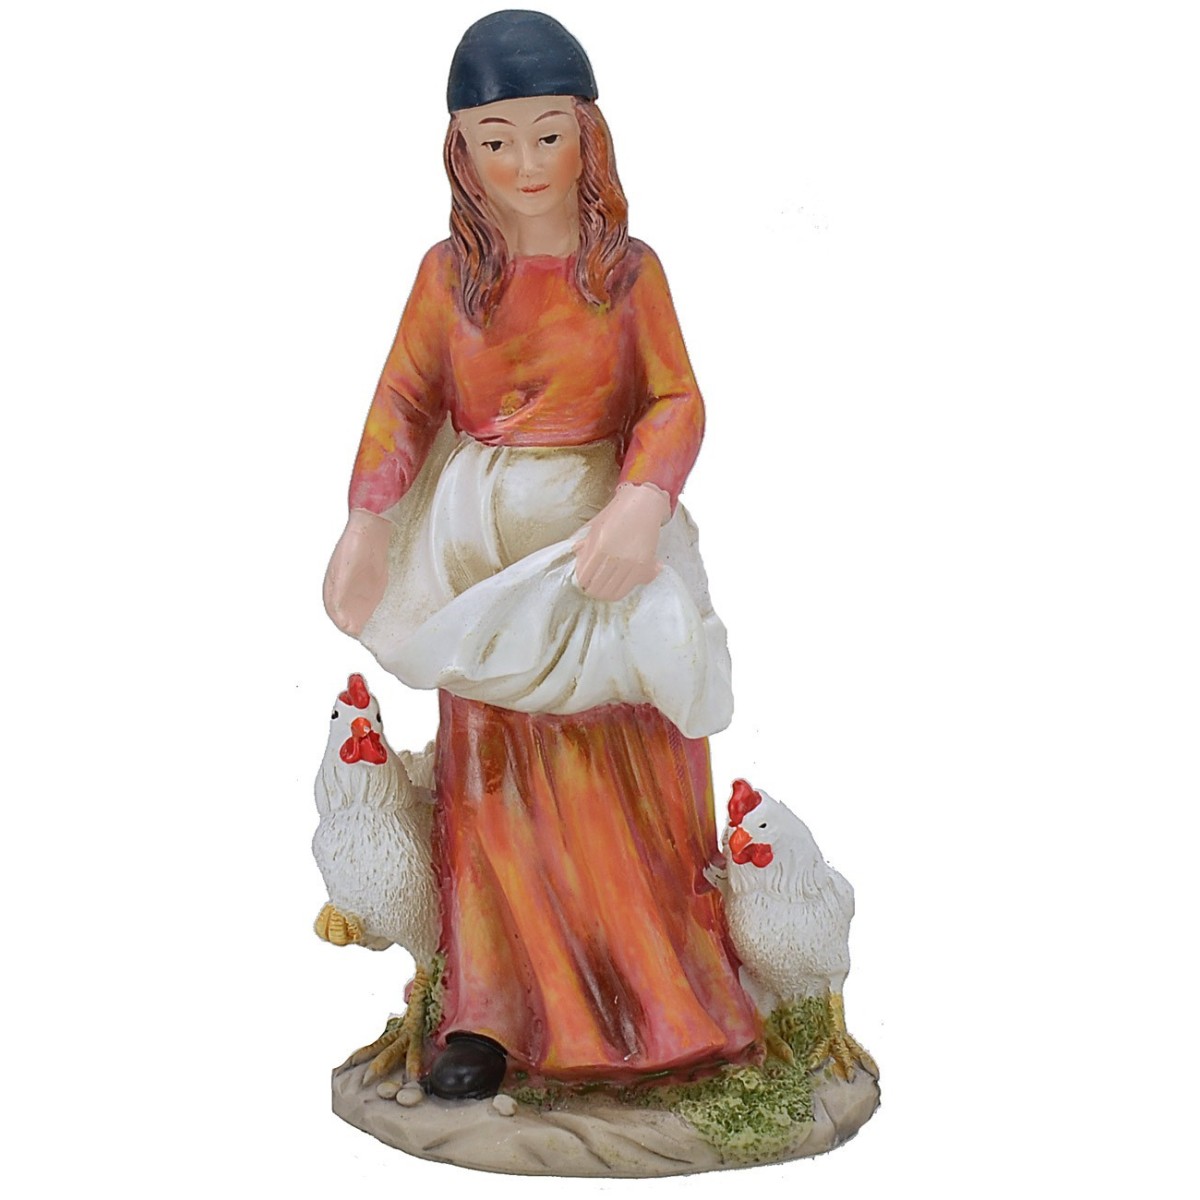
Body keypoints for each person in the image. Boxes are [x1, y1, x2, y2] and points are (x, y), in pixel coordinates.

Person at [323, 10, 759, 1099]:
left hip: (598, 545)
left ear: (588, 137)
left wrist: (642, 502)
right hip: (480, 558)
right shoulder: (447, 278)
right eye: (496, 139)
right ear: (460, 150)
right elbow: (404, 400)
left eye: (548, 136)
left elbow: (676, 398)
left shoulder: (628, 275)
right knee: (495, 776)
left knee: (623, 753)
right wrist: (368, 521)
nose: (525, 164)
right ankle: (494, 1010)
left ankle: (661, 1000)